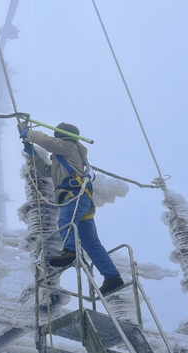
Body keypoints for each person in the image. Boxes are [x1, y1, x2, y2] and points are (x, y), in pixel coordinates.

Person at [20, 122, 124, 296]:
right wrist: (32, 155)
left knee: (65, 222)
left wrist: (29, 134)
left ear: (62, 136)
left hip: (74, 195)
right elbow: (47, 171)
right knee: (90, 242)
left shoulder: (69, 145)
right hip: (81, 200)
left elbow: (46, 141)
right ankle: (112, 276)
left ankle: (69, 251)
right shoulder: (62, 157)